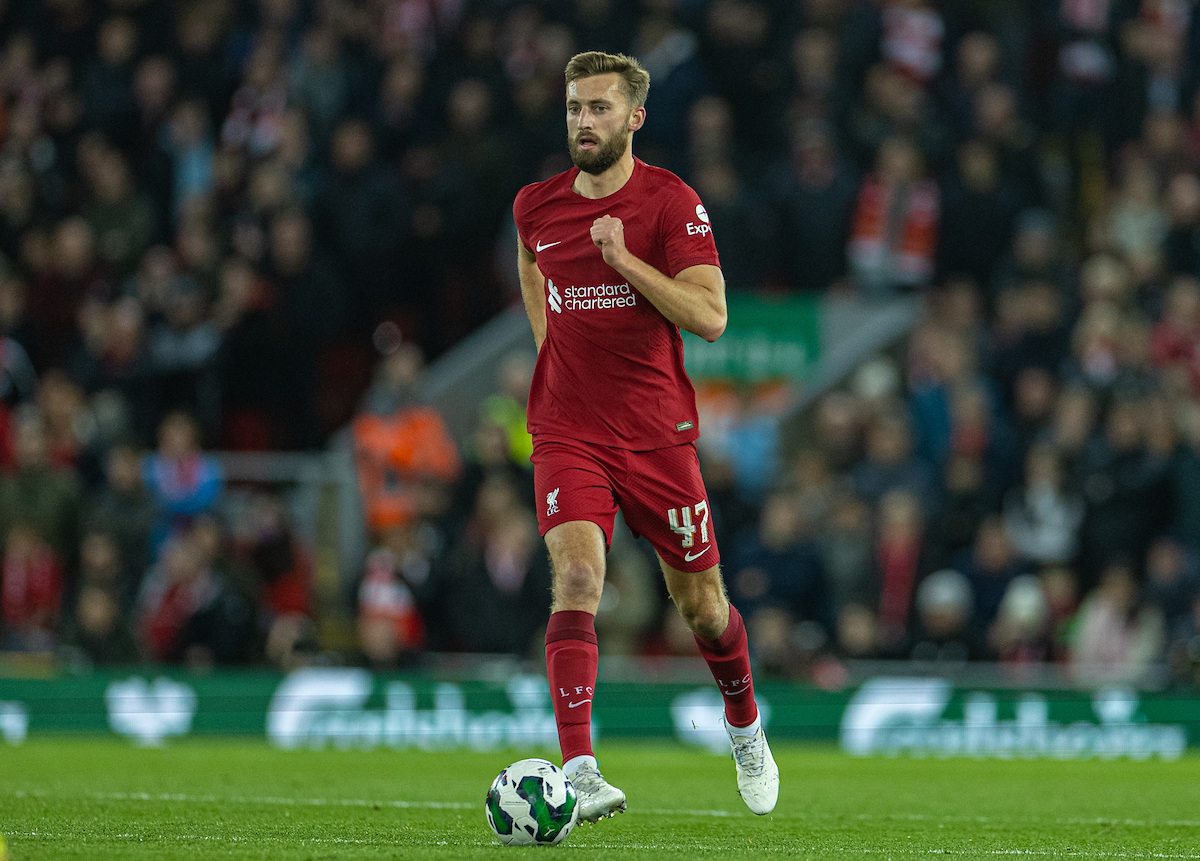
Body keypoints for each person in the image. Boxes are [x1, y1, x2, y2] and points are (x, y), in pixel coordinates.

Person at [512, 51, 779, 822]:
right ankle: (580, 768)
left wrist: (623, 259)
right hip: (568, 430)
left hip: (657, 436)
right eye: (573, 107)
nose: (582, 121)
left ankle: (743, 724)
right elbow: (533, 265)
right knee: (577, 579)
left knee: (703, 608)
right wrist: (549, 352)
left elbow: (712, 318)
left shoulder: (670, 203)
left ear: (634, 118)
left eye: (598, 108)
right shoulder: (535, 205)